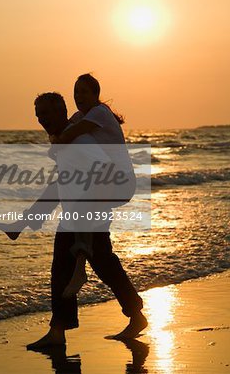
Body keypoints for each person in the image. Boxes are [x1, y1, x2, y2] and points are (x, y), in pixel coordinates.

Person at [0, 92, 148, 348]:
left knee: (72, 269)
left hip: (87, 214)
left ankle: (59, 332)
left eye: (47, 114)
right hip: (76, 214)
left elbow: (106, 172)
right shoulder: (66, 142)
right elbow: (62, 183)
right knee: (99, 266)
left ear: (62, 112)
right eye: (38, 115)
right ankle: (130, 315)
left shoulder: (80, 142)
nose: (42, 120)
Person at [50, 73, 136, 298]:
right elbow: (61, 136)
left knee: (80, 212)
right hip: (101, 181)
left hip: (119, 182)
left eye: (84, 91)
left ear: (96, 95)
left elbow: (68, 136)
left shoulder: (99, 112)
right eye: (75, 91)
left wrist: (57, 140)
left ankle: (79, 272)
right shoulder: (81, 115)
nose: (78, 96)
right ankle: (134, 311)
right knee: (101, 254)